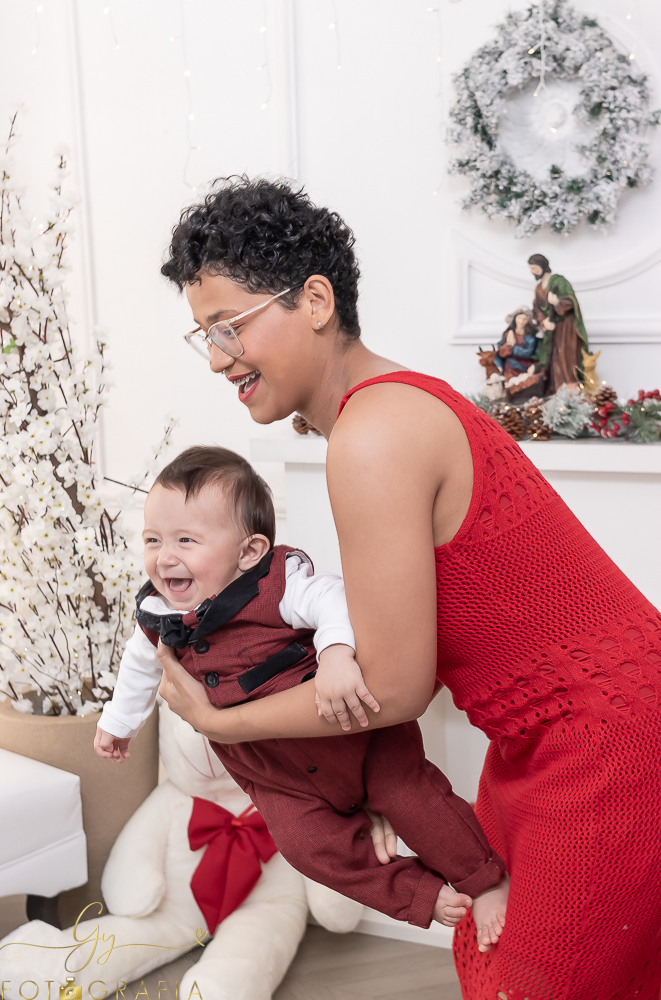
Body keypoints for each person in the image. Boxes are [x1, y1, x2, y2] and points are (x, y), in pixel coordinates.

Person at [154, 177, 661, 999]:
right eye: (201, 335)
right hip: (557, 735)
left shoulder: (373, 433)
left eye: (228, 326)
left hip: (607, 743)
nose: (216, 357)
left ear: (314, 300)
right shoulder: (385, 412)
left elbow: (392, 689)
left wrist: (219, 718)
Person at [95, 445, 508, 940]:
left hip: (359, 738)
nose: (165, 557)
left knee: (415, 798)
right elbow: (139, 666)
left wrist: (335, 653)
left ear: (249, 552)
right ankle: (420, 894)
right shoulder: (159, 615)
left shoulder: (275, 584)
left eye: (186, 540)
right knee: (306, 845)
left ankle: (484, 881)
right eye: (153, 539)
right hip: (276, 777)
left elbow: (331, 597)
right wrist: (119, 724)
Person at [528, 252, 589, 394]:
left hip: (565, 327)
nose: (532, 272)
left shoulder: (559, 281)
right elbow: (536, 308)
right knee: (552, 357)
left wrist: (558, 303)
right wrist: (543, 321)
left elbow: (571, 301)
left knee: (565, 357)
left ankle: (570, 390)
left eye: (534, 268)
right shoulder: (538, 288)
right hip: (550, 329)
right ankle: (555, 390)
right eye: (531, 269)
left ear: (543, 266)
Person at [493, 308, 543, 401]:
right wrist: (506, 347)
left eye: (524, 319)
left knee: (524, 385)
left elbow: (527, 352)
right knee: (511, 385)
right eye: (519, 318)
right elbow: (500, 350)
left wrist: (512, 348)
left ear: (527, 321)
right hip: (510, 366)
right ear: (515, 319)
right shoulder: (507, 334)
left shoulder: (530, 337)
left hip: (525, 365)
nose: (521, 321)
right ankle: (510, 401)